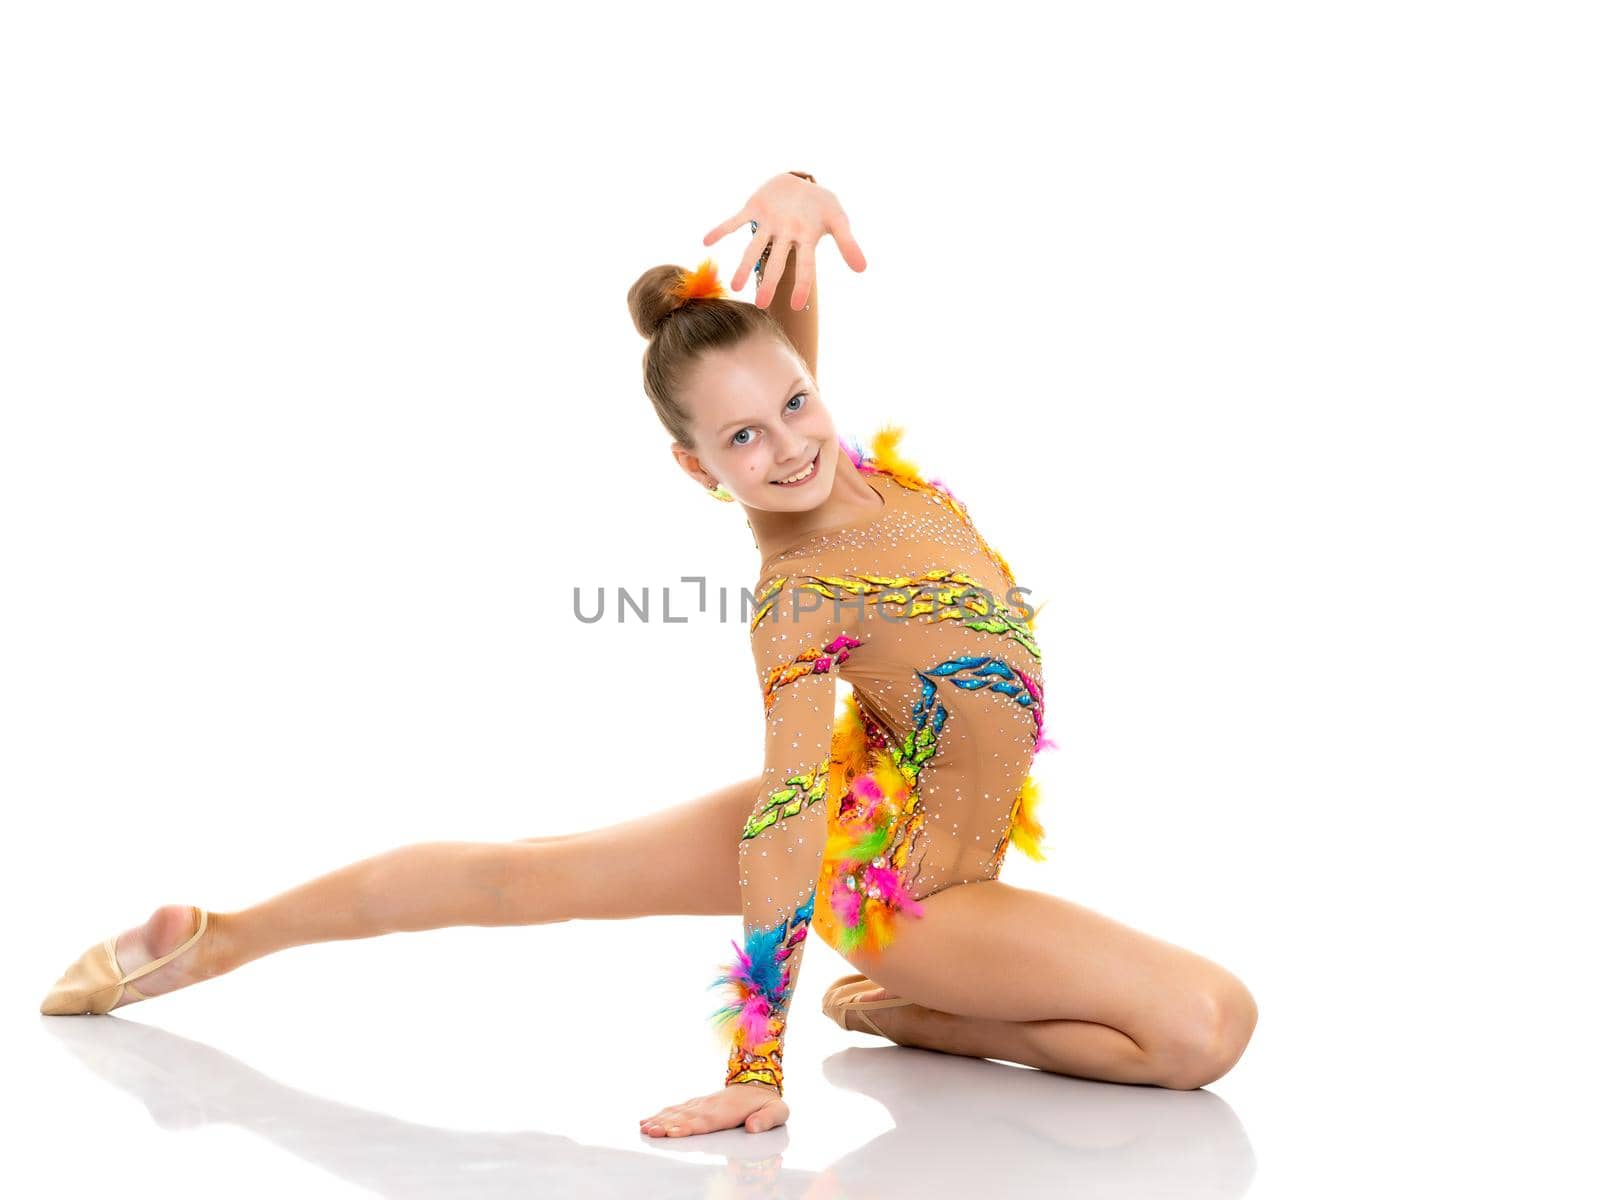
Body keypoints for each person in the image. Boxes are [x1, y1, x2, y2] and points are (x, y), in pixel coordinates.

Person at [39, 170, 1258, 1138]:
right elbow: (787, 812)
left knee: (531, 870)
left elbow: (776, 337)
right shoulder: (798, 593)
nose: (785, 446)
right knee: (1205, 1028)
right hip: (908, 892)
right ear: (699, 468)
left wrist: (793, 185)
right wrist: (756, 1061)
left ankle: (914, 1020)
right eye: (741, 437)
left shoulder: (834, 457)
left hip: (883, 804)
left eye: (793, 403)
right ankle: (223, 938)